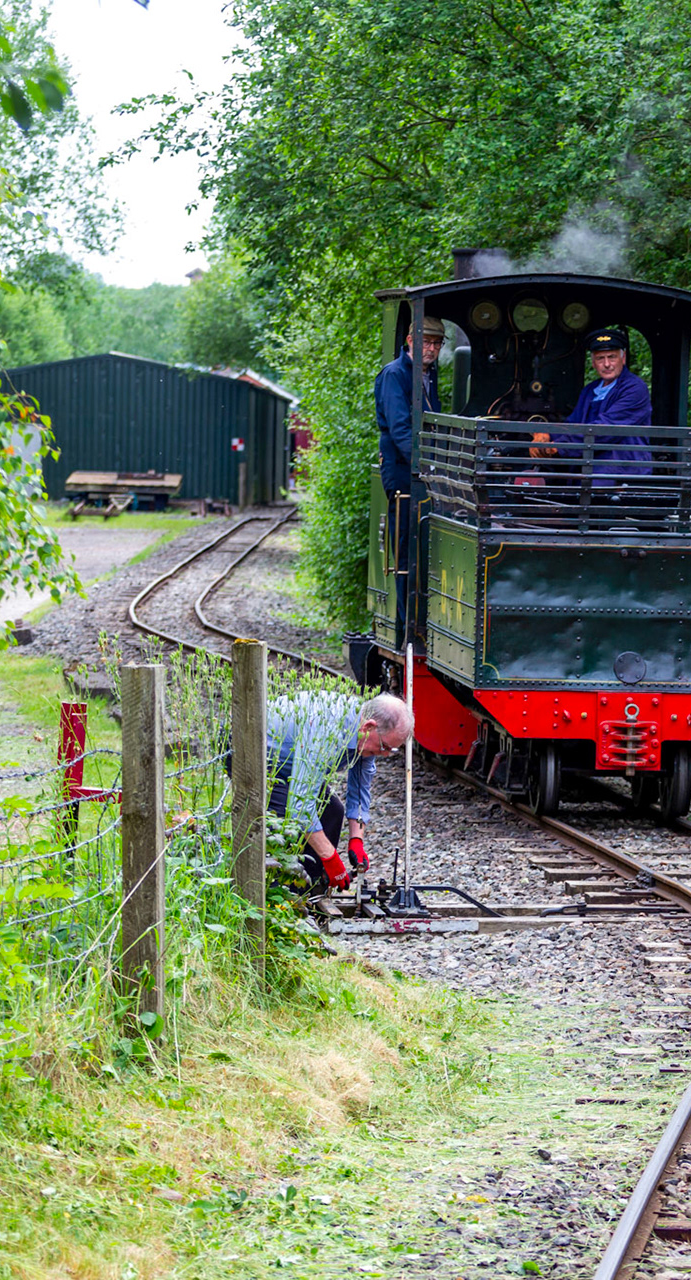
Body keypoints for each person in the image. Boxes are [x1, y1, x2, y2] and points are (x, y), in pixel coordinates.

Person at [264, 688, 414, 893]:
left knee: (332, 812)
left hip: (292, 767)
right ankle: (278, 897)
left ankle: (311, 893)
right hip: (261, 760)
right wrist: (330, 858)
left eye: (392, 750)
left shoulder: (364, 735)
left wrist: (356, 840)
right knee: (287, 823)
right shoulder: (327, 730)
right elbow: (300, 807)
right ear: (369, 726)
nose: (386, 755)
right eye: (385, 747)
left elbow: (360, 789)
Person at [373, 315, 444, 643]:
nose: (431, 349)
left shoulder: (429, 375)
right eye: (426, 342)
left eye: (436, 343)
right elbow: (401, 430)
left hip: (423, 470)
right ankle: (406, 628)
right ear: (411, 340)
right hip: (405, 471)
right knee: (406, 547)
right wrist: (428, 465)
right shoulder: (395, 375)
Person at [537, 328, 652, 483]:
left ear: (623, 358)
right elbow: (573, 424)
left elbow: (606, 428)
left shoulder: (635, 388)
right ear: (593, 363)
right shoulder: (590, 390)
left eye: (612, 357)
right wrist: (547, 435)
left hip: (621, 471)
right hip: (589, 468)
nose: (606, 364)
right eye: (600, 358)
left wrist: (560, 446)